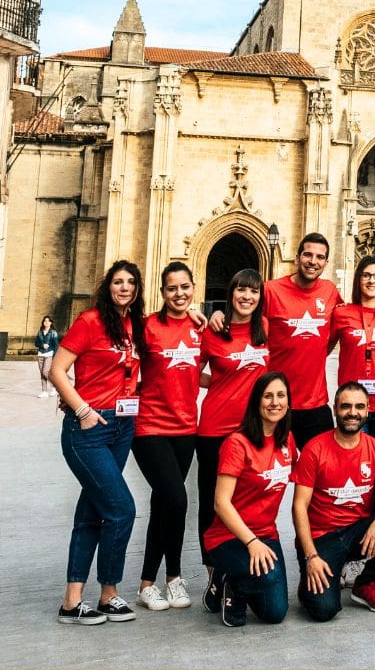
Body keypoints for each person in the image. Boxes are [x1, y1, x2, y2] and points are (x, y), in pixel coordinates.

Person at [49, 260, 147, 625]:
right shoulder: (90, 321)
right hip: (89, 428)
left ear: (137, 289)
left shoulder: (136, 325)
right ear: (108, 287)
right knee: (121, 508)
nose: (124, 287)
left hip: (123, 426)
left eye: (131, 282)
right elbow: (57, 369)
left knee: (91, 512)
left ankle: (72, 600)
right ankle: (109, 592)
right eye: (118, 282)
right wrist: (82, 410)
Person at [292, 381, 375, 620]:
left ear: (368, 410)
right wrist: (311, 556)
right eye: (346, 406)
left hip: (358, 531)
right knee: (323, 610)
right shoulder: (314, 449)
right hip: (322, 536)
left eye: (359, 407)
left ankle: (365, 583)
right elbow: (298, 506)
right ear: (335, 409)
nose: (352, 413)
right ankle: (310, 583)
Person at [197, 267, 269, 612]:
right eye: (241, 290)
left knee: (242, 500)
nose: (247, 297)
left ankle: (235, 565)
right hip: (214, 429)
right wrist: (217, 383)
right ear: (231, 293)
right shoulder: (214, 331)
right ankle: (214, 572)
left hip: (251, 432)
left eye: (253, 291)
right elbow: (188, 368)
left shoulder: (266, 330)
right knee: (213, 504)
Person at [131, 261, 202, 611]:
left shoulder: (199, 329)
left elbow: (201, 373)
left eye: (185, 287)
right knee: (176, 499)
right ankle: (172, 576)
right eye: (172, 288)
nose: (179, 294)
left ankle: (149, 583)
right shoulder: (147, 328)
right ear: (162, 292)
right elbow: (124, 367)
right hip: (149, 428)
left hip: (186, 428)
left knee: (163, 503)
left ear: (194, 287)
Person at [204, 371, 297, 627]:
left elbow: (305, 474)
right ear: (256, 401)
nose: (274, 402)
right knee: (266, 578)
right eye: (267, 396)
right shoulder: (237, 443)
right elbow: (221, 503)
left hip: (267, 534)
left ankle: (232, 581)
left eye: (281, 396)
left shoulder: (287, 439)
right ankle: (228, 580)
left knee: (275, 613)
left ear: (288, 402)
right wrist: (252, 542)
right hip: (229, 537)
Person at [259, 232, 343, 451]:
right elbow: (243, 317)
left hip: (314, 403)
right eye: (307, 255)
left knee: (321, 472)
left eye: (320, 257)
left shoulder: (330, 292)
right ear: (297, 259)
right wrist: (219, 316)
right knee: (265, 472)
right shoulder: (270, 290)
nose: (313, 261)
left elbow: (345, 322)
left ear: (325, 262)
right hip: (275, 401)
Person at [330, 255, 375, 451]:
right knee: (355, 460)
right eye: (367, 275)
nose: (372, 281)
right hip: (351, 403)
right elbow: (323, 348)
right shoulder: (341, 313)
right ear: (358, 279)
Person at [35, 314, 59, 397]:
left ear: (51, 323)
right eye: (45, 321)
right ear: (43, 322)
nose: (46, 322)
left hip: (49, 354)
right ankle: (44, 391)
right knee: (42, 373)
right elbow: (36, 343)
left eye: (48, 321)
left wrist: (55, 356)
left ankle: (53, 387)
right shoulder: (40, 332)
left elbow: (56, 345)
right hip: (40, 354)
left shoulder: (53, 333)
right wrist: (42, 345)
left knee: (45, 372)